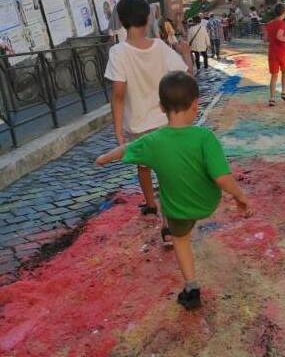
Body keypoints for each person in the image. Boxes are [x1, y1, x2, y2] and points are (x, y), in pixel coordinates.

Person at [96, 72, 253, 310]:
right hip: (207, 202)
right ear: (195, 105)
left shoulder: (153, 141)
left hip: (178, 209)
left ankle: (191, 287)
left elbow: (126, 148)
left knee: (180, 240)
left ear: (161, 107)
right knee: (186, 212)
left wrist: (103, 159)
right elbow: (222, 178)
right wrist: (240, 197)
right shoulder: (205, 137)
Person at [104, 0, 188, 225]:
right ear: (148, 17)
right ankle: (171, 220)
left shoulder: (118, 52)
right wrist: (185, 52)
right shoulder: (160, 47)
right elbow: (183, 74)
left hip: (138, 124)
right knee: (166, 169)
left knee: (144, 166)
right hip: (164, 120)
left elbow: (118, 94)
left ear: (121, 21)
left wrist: (118, 131)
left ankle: (151, 204)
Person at [265, 2, 285, 107]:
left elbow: (266, 38)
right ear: (283, 13)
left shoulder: (269, 24)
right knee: (284, 72)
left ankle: (272, 98)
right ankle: (284, 92)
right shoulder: (283, 23)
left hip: (272, 52)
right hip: (282, 51)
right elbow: (279, 36)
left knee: (274, 75)